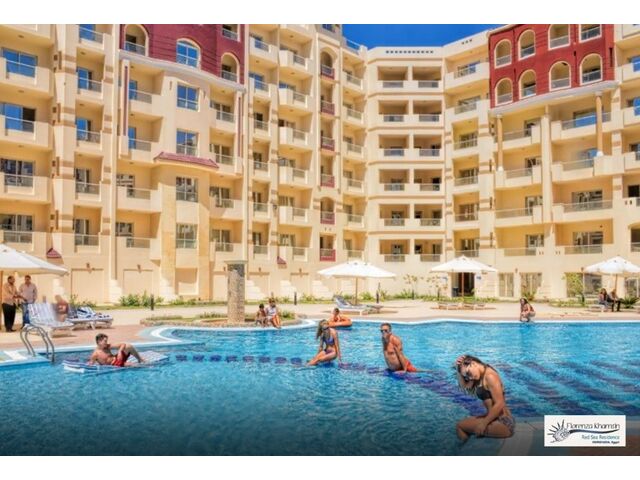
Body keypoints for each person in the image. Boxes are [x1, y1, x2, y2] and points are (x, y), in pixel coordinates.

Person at [454, 355, 515, 442]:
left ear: (473, 363)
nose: (469, 378)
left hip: (504, 422)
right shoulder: (480, 374)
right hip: (494, 419)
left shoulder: (490, 376)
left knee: (460, 426)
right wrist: (458, 369)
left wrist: (484, 423)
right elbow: (465, 386)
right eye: (467, 376)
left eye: (468, 373)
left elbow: (500, 403)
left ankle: (465, 448)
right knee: (463, 424)